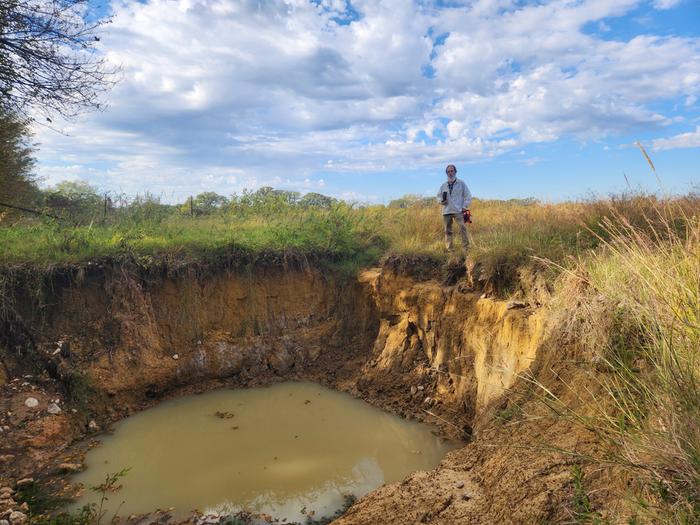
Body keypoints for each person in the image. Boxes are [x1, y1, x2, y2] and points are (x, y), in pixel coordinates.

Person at [437, 164, 472, 252]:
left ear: (455, 172)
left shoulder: (461, 183)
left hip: (458, 210)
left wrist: (464, 206)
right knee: (447, 231)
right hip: (446, 210)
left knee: (463, 228)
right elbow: (438, 196)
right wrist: (441, 201)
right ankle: (450, 250)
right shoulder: (443, 185)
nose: (450, 173)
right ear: (446, 173)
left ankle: (466, 249)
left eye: (452, 171)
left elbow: (468, 196)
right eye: (448, 171)